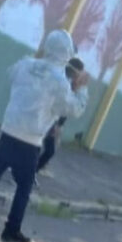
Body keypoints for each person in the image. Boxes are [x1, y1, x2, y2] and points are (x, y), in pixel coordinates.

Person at [0, 30, 89, 242]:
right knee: (24, 187)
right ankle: (11, 228)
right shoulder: (59, 81)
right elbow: (72, 109)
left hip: (10, 129)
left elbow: (13, 76)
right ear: (66, 54)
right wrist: (81, 89)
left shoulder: (26, 64)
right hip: (30, 139)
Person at [34, 57, 85, 188]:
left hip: (52, 121)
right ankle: (26, 171)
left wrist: (59, 125)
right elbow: (65, 106)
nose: (79, 76)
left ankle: (30, 171)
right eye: (79, 73)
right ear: (75, 72)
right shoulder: (63, 82)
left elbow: (66, 109)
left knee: (46, 149)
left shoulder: (70, 84)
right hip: (47, 119)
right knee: (40, 147)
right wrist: (56, 125)